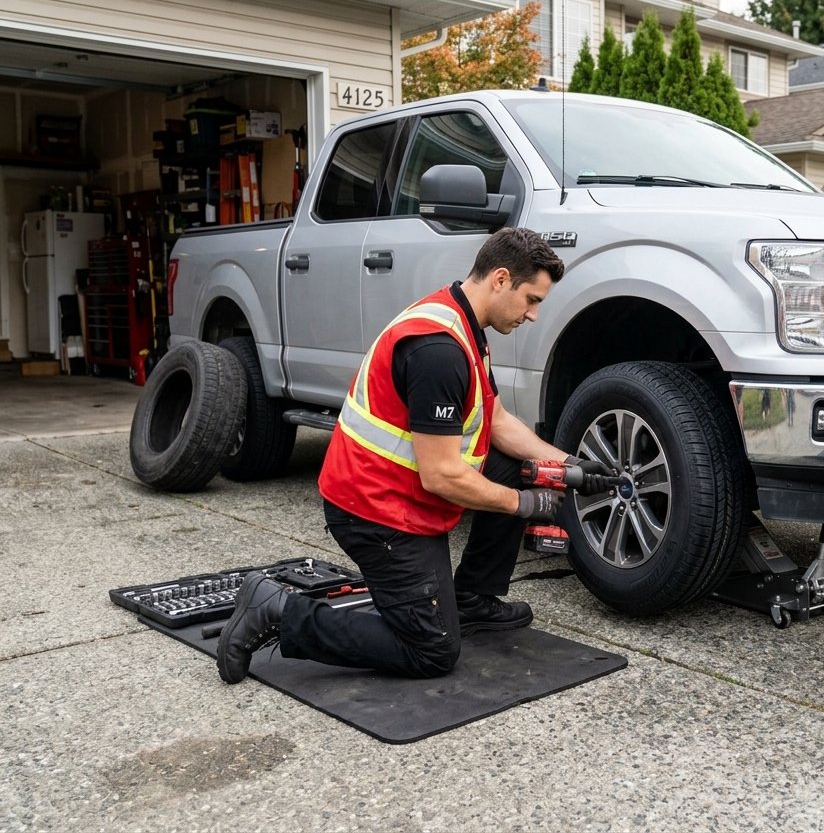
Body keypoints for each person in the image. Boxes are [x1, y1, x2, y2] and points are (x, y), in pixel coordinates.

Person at [216, 226, 609, 684]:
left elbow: (497, 420)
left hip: (399, 492)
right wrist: (523, 504)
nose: (534, 314)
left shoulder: (463, 323)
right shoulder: (438, 350)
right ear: (501, 279)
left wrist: (568, 465)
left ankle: (472, 599)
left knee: (522, 471)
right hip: (375, 512)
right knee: (431, 650)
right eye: (531, 299)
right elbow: (441, 475)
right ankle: (278, 609)